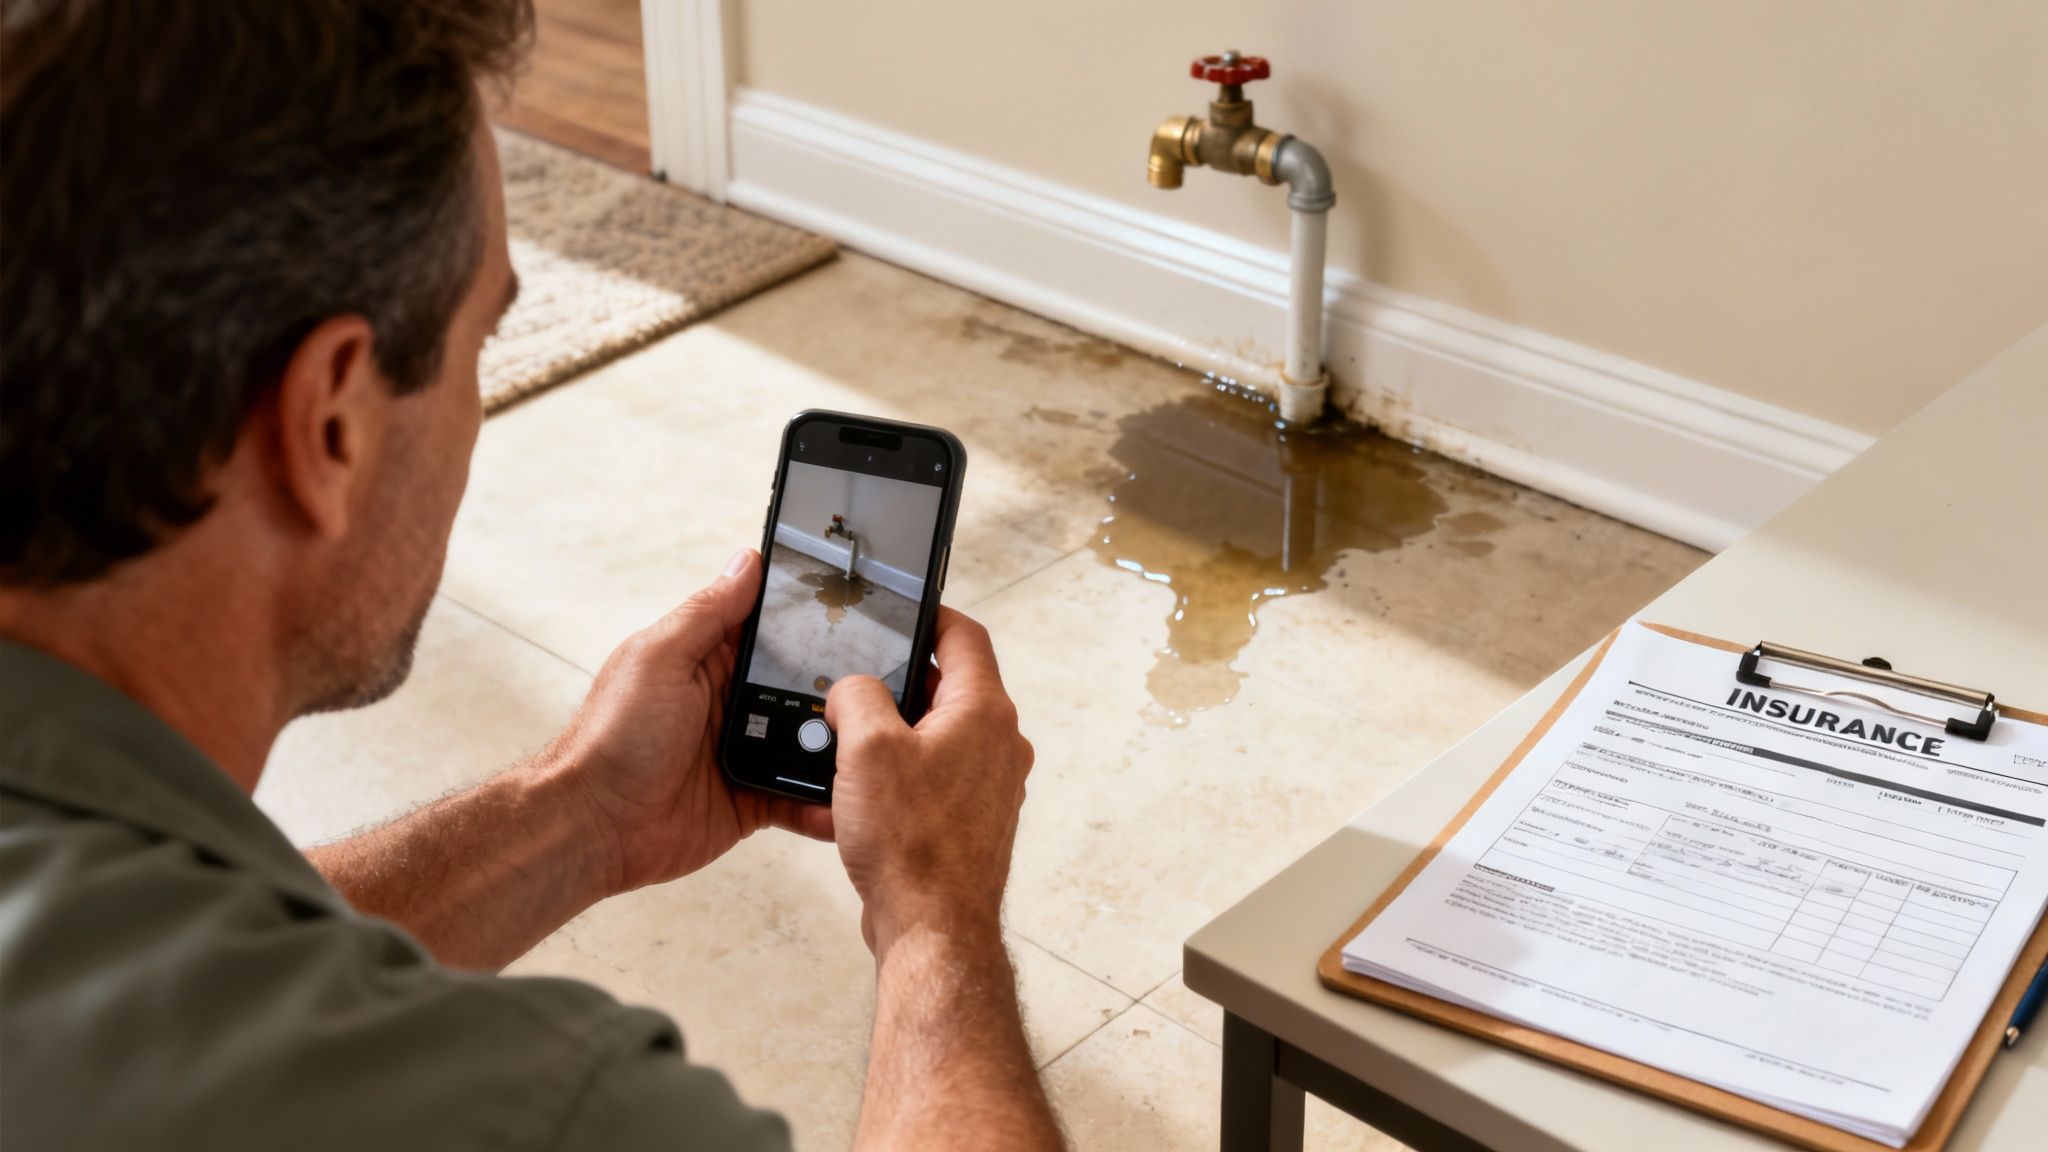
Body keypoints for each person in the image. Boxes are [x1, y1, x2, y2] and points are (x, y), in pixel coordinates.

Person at [0, 2, 1062, 1149]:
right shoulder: (537, 1110)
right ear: (332, 422)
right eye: (478, 343)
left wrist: (584, 808)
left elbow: (175, 972)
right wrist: (934, 917)